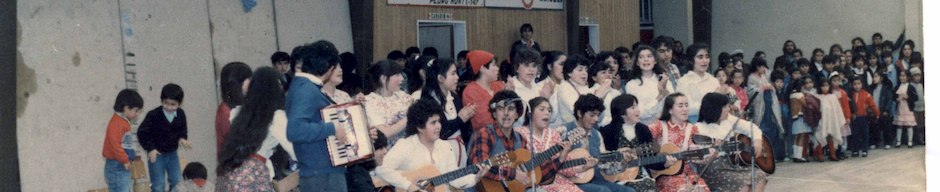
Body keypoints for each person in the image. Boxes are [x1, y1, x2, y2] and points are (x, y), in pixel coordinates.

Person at [375, 100, 488, 192]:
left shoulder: (445, 146)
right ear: (419, 127)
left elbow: (455, 180)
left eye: (439, 121)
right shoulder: (405, 145)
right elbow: (381, 169)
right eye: (433, 123)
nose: (439, 126)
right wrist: (408, 186)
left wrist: (475, 178)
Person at [285, 41, 349, 192]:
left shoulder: (303, 86)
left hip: (320, 172)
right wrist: (332, 127)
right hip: (321, 175)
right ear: (329, 67)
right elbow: (295, 130)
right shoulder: (306, 89)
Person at [217, 67, 293, 191]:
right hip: (255, 176)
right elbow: (294, 150)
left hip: (231, 174)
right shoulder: (277, 117)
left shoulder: (237, 112)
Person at [468, 91, 560, 191]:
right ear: (494, 113)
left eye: (511, 109)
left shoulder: (521, 139)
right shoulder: (485, 133)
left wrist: (560, 159)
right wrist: (513, 173)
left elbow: (539, 176)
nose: (506, 113)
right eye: (501, 109)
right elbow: (479, 166)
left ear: (517, 115)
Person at [694, 93, 767, 192]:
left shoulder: (728, 119)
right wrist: (713, 150)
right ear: (715, 108)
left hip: (730, 162)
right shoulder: (698, 127)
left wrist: (757, 140)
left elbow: (751, 127)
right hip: (712, 167)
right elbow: (698, 154)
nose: (729, 109)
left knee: (760, 177)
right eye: (725, 106)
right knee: (742, 186)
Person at [564, 95, 635, 192]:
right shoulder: (564, 131)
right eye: (592, 115)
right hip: (571, 182)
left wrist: (622, 162)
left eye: (598, 115)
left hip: (596, 180)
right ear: (580, 113)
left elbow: (604, 167)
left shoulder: (596, 135)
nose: (596, 119)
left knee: (629, 191)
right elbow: (556, 162)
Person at [514, 97, 582, 192]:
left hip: (553, 181)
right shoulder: (519, 134)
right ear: (530, 113)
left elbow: (564, 167)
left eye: (549, 110)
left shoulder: (554, 134)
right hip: (527, 184)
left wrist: (564, 155)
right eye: (542, 109)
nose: (547, 113)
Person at [598, 94, 665, 191]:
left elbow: (651, 159)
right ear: (622, 113)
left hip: (641, 176)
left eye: (637, 106)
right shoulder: (608, 131)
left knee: (648, 185)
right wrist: (619, 156)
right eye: (633, 107)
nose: (638, 110)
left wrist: (665, 163)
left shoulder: (643, 129)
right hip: (617, 178)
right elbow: (604, 159)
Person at [648, 93, 711, 192]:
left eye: (686, 105)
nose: (685, 109)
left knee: (702, 190)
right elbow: (643, 143)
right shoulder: (658, 126)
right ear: (670, 110)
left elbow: (694, 153)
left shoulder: (692, 128)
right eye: (680, 106)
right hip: (665, 175)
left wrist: (705, 158)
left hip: (689, 174)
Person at [138, 83, 191, 192]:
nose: (169, 107)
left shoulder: (181, 114)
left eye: (173, 104)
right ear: (161, 100)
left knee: (177, 181)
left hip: (172, 154)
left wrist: (182, 138)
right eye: (165, 103)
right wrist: (151, 148)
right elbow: (142, 132)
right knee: (158, 184)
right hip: (156, 155)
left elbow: (183, 130)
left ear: (179, 104)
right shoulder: (153, 115)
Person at [420, 58, 475, 153]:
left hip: (459, 148)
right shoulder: (428, 101)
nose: (457, 77)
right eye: (453, 74)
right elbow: (440, 132)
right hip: (440, 152)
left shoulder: (454, 97)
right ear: (440, 78)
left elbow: (464, 130)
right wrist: (460, 119)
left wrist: (467, 115)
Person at [364, 60, 414, 146]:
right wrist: (410, 116)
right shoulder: (369, 101)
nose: (402, 78)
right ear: (383, 78)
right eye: (397, 75)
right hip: (387, 152)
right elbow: (384, 133)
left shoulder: (403, 96)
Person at [102, 89, 144, 192]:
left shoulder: (122, 121)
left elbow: (126, 143)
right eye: (136, 110)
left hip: (120, 164)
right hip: (117, 166)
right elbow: (114, 144)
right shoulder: (117, 122)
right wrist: (125, 159)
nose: (137, 114)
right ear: (126, 108)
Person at [509, 47, 555, 127]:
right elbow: (521, 120)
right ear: (517, 68)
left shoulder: (540, 88)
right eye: (526, 65)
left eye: (534, 66)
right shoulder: (511, 88)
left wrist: (546, 99)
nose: (531, 70)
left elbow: (552, 118)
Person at [463, 50, 507, 132]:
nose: (497, 68)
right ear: (483, 68)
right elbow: (483, 121)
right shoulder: (470, 91)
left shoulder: (499, 85)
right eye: (494, 65)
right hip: (485, 136)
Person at [677, 43, 721, 123]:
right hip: (695, 125)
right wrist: (711, 101)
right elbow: (686, 109)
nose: (705, 60)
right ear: (691, 60)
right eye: (700, 57)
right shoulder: (683, 81)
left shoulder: (714, 80)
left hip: (715, 123)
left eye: (707, 57)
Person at [626, 45, 670, 125]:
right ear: (637, 63)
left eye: (649, 56)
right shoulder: (631, 85)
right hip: (644, 127)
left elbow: (672, 106)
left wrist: (666, 90)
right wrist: (659, 96)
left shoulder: (664, 79)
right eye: (641, 57)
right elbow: (640, 113)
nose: (646, 59)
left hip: (666, 125)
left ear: (655, 61)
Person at [556, 55, 603, 128]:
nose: (584, 73)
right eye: (580, 70)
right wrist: (598, 97)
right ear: (569, 73)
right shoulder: (564, 88)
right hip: (571, 129)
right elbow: (578, 111)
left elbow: (599, 117)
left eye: (586, 70)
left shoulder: (585, 88)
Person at [216, 62, 252, 157]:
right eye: (248, 79)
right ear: (236, 83)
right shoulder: (226, 110)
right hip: (234, 162)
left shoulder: (245, 103)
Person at [811, 74, 846, 162]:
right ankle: (819, 153)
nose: (825, 88)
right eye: (823, 86)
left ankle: (832, 153)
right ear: (819, 87)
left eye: (827, 85)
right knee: (820, 135)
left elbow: (837, 110)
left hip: (831, 120)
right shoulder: (817, 97)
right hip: (821, 120)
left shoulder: (833, 97)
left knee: (831, 135)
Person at [789, 76, 820, 162]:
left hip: (794, 118)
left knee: (796, 137)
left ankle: (796, 155)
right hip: (801, 117)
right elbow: (805, 104)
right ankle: (799, 156)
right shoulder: (800, 95)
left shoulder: (791, 95)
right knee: (801, 136)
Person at [848, 77, 880, 157]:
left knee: (865, 134)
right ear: (852, 85)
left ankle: (865, 150)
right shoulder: (850, 95)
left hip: (864, 117)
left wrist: (877, 113)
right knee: (855, 134)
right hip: (854, 118)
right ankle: (855, 150)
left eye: (858, 84)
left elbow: (872, 105)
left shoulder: (866, 94)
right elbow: (848, 107)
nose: (857, 86)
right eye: (855, 84)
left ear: (862, 84)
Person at [587, 60, 620, 127]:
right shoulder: (589, 93)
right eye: (603, 72)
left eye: (610, 72)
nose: (608, 75)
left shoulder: (617, 93)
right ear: (594, 77)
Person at [868, 73, 895, 149]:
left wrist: (886, 110)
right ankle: (875, 142)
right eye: (873, 77)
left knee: (886, 126)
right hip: (874, 110)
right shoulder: (871, 88)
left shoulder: (886, 88)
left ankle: (887, 142)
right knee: (874, 126)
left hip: (883, 110)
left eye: (876, 76)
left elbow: (889, 100)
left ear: (881, 78)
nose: (874, 78)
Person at [893, 70, 918, 148]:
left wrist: (908, 97)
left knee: (909, 125)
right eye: (901, 76)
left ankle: (910, 141)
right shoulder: (897, 87)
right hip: (900, 108)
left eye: (904, 76)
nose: (902, 77)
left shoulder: (911, 87)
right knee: (899, 125)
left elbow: (916, 98)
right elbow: (893, 96)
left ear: (908, 77)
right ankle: (898, 141)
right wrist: (896, 99)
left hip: (908, 108)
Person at [910, 67, 925, 146]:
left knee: (921, 125)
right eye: (915, 75)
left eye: (919, 75)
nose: (917, 77)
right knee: (914, 125)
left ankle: (921, 139)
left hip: (921, 108)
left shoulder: (920, 85)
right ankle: (914, 139)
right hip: (914, 109)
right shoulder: (911, 86)